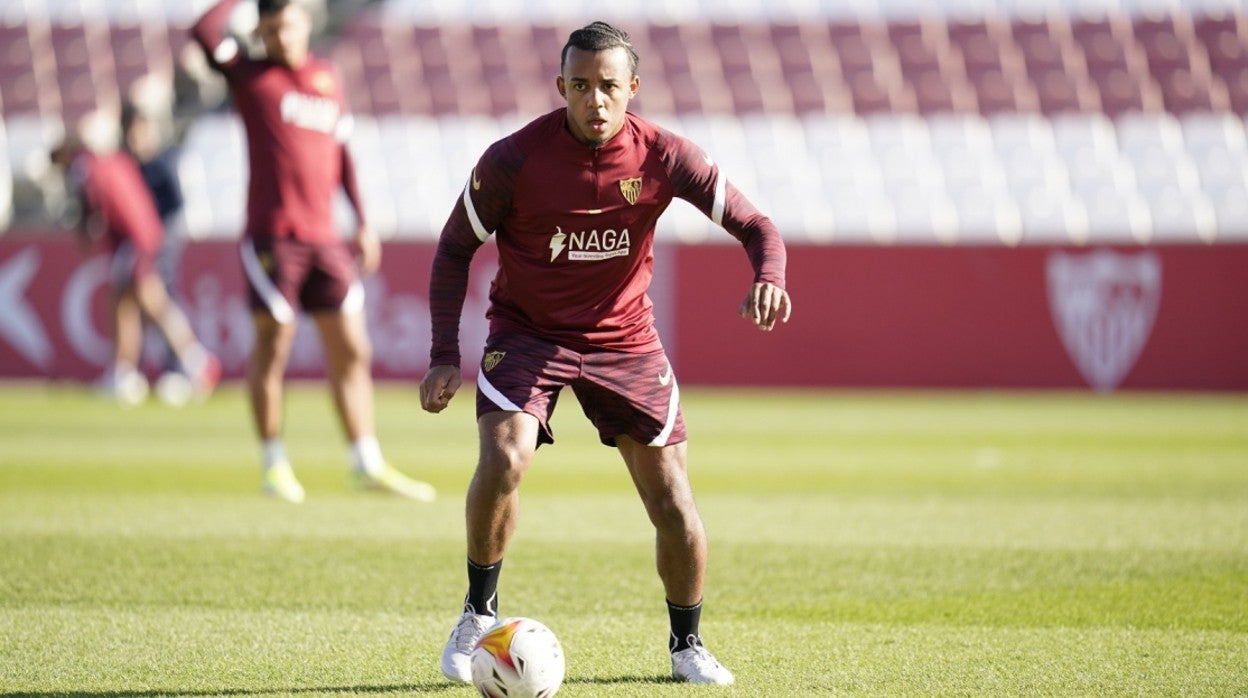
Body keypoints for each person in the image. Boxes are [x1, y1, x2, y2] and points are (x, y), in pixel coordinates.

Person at [419, 21, 792, 686]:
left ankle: (687, 646)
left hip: (625, 340)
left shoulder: (665, 155)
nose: (595, 99)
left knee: (672, 498)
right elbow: (454, 248)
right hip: (527, 333)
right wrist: (445, 351)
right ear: (561, 86)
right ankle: (478, 614)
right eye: (581, 85)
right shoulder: (514, 159)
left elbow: (756, 225)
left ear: (633, 88)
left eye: (609, 86)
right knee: (504, 456)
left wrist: (770, 276)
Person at [191, 0, 435, 504]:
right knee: (274, 343)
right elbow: (204, 30)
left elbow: (342, 154)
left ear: (305, 23)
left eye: (287, 25)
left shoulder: (327, 78)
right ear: (260, 31)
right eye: (270, 29)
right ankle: (274, 464)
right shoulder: (250, 75)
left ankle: (366, 462)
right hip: (274, 236)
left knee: (352, 348)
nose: (281, 36)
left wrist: (362, 221)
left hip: (326, 238)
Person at [54, 109, 221, 407]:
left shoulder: (85, 167)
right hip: (142, 236)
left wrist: (85, 240)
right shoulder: (113, 160)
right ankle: (125, 373)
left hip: (135, 239)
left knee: (150, 301)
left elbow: (90, 209)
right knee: (126, 302)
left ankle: (194, 361)